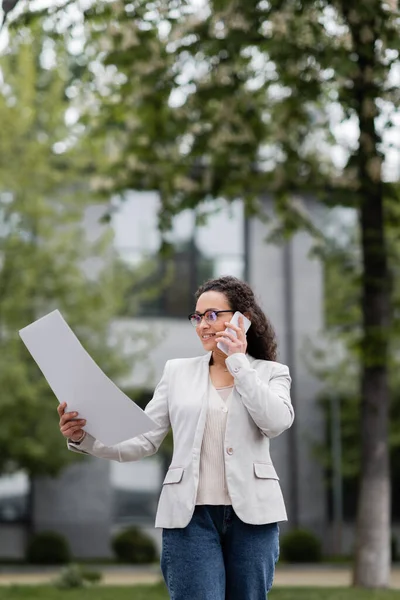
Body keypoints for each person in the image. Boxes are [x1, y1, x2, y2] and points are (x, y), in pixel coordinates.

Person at [58, 275, 294, 600]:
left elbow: (276, 421)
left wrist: (238, 361)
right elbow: (142, 440)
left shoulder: (271, 373)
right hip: (189, 517)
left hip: (253, 517)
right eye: (197, 317)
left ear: (244, 318)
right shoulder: (177, 372)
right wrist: (86, 437)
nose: (202, 325)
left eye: (213, 315)